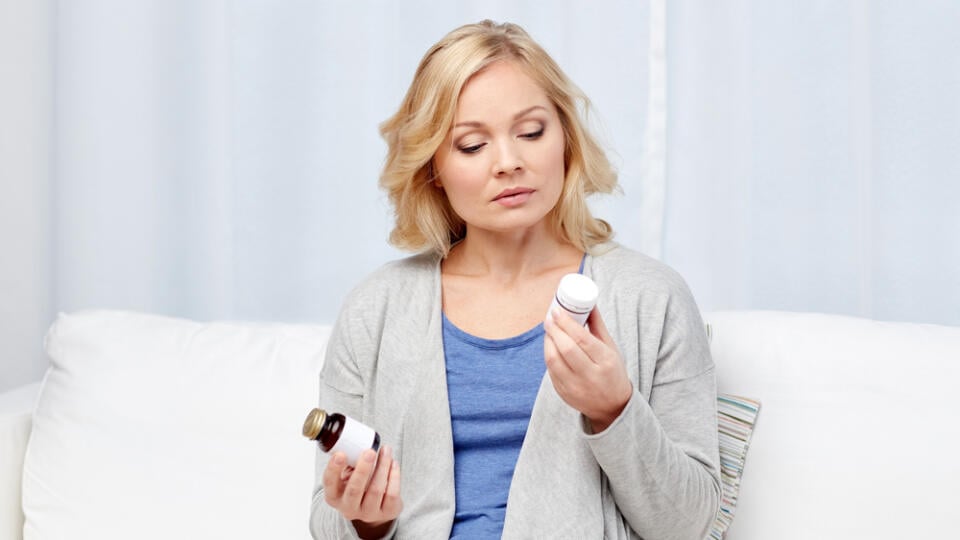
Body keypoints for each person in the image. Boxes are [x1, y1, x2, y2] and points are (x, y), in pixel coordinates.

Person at [309, 20, 720, 540]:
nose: (509, 163)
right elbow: (327, 520)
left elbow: (688, 524)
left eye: (530, 132)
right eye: (472, 145)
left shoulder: (650, 297)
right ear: (433, 165)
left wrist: (615, 409)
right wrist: (367, 518)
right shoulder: (375, 309)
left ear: (565, 137)